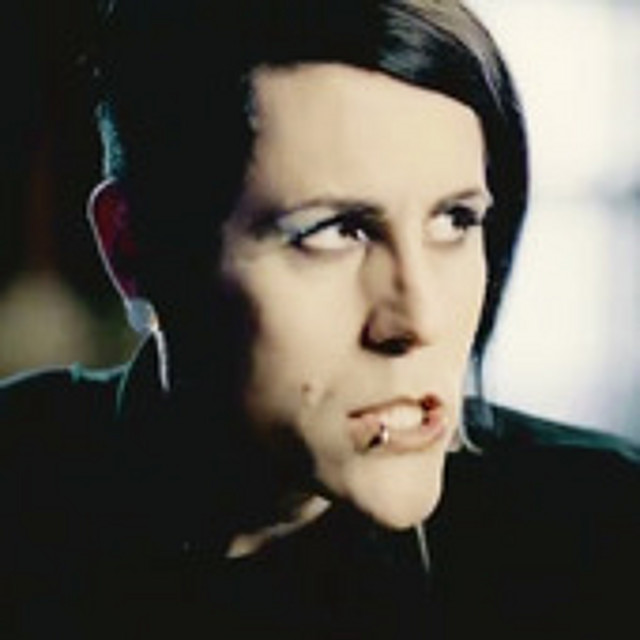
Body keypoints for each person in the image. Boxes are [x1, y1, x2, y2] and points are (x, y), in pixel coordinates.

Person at [2, 1, 638, 638]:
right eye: (335, 231)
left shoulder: (600, 534)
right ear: (135, 248)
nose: (419, 319)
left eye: (456, 220)